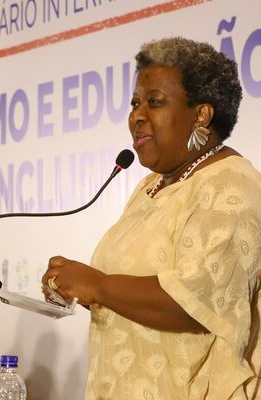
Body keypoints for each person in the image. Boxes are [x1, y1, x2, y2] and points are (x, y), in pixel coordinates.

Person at [40, 37, 261, 399]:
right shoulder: (151, 186)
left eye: (154, 102)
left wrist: (96, 285)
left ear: (201, 115)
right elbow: (129, 288)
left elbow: (193, 301)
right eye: (135, 103)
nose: (137, 116)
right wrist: (76, 286)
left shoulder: (231, 183)